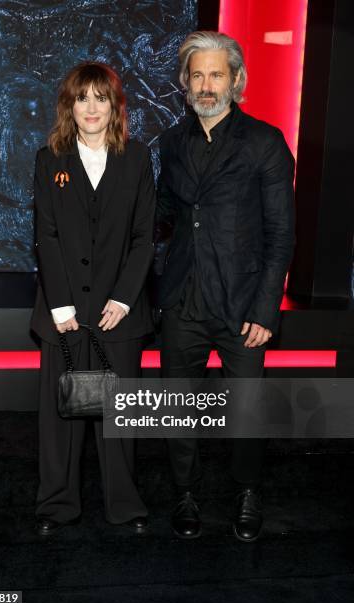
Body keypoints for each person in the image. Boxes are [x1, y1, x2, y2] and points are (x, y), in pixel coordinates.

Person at [155, 31, 295, 541]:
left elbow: (281, 236)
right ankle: (185, 492)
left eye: (216, 74)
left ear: (236, 79)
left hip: (243, 307)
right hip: (183, 300)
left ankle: (246, 492)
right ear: (185, 82)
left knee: (246, 407)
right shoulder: (171, 142)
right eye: (197, 74)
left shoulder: (265, 142)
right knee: (177, 406)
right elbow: (165, 215)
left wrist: (266, 308)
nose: (206, 85)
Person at [31, 61, 155, 536]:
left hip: (117, 316)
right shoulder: (49, 159)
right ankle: (57, 505)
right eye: (82, 98)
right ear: (70, 105)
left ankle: (124, 504)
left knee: (119, 417)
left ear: (114, 106)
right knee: (61, 415)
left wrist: (124, 298)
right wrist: (61, 305)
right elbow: (47, 236)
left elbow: (144, 237)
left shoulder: (138, 158)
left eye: (100, 98)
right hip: (62, 315)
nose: (91, 107)